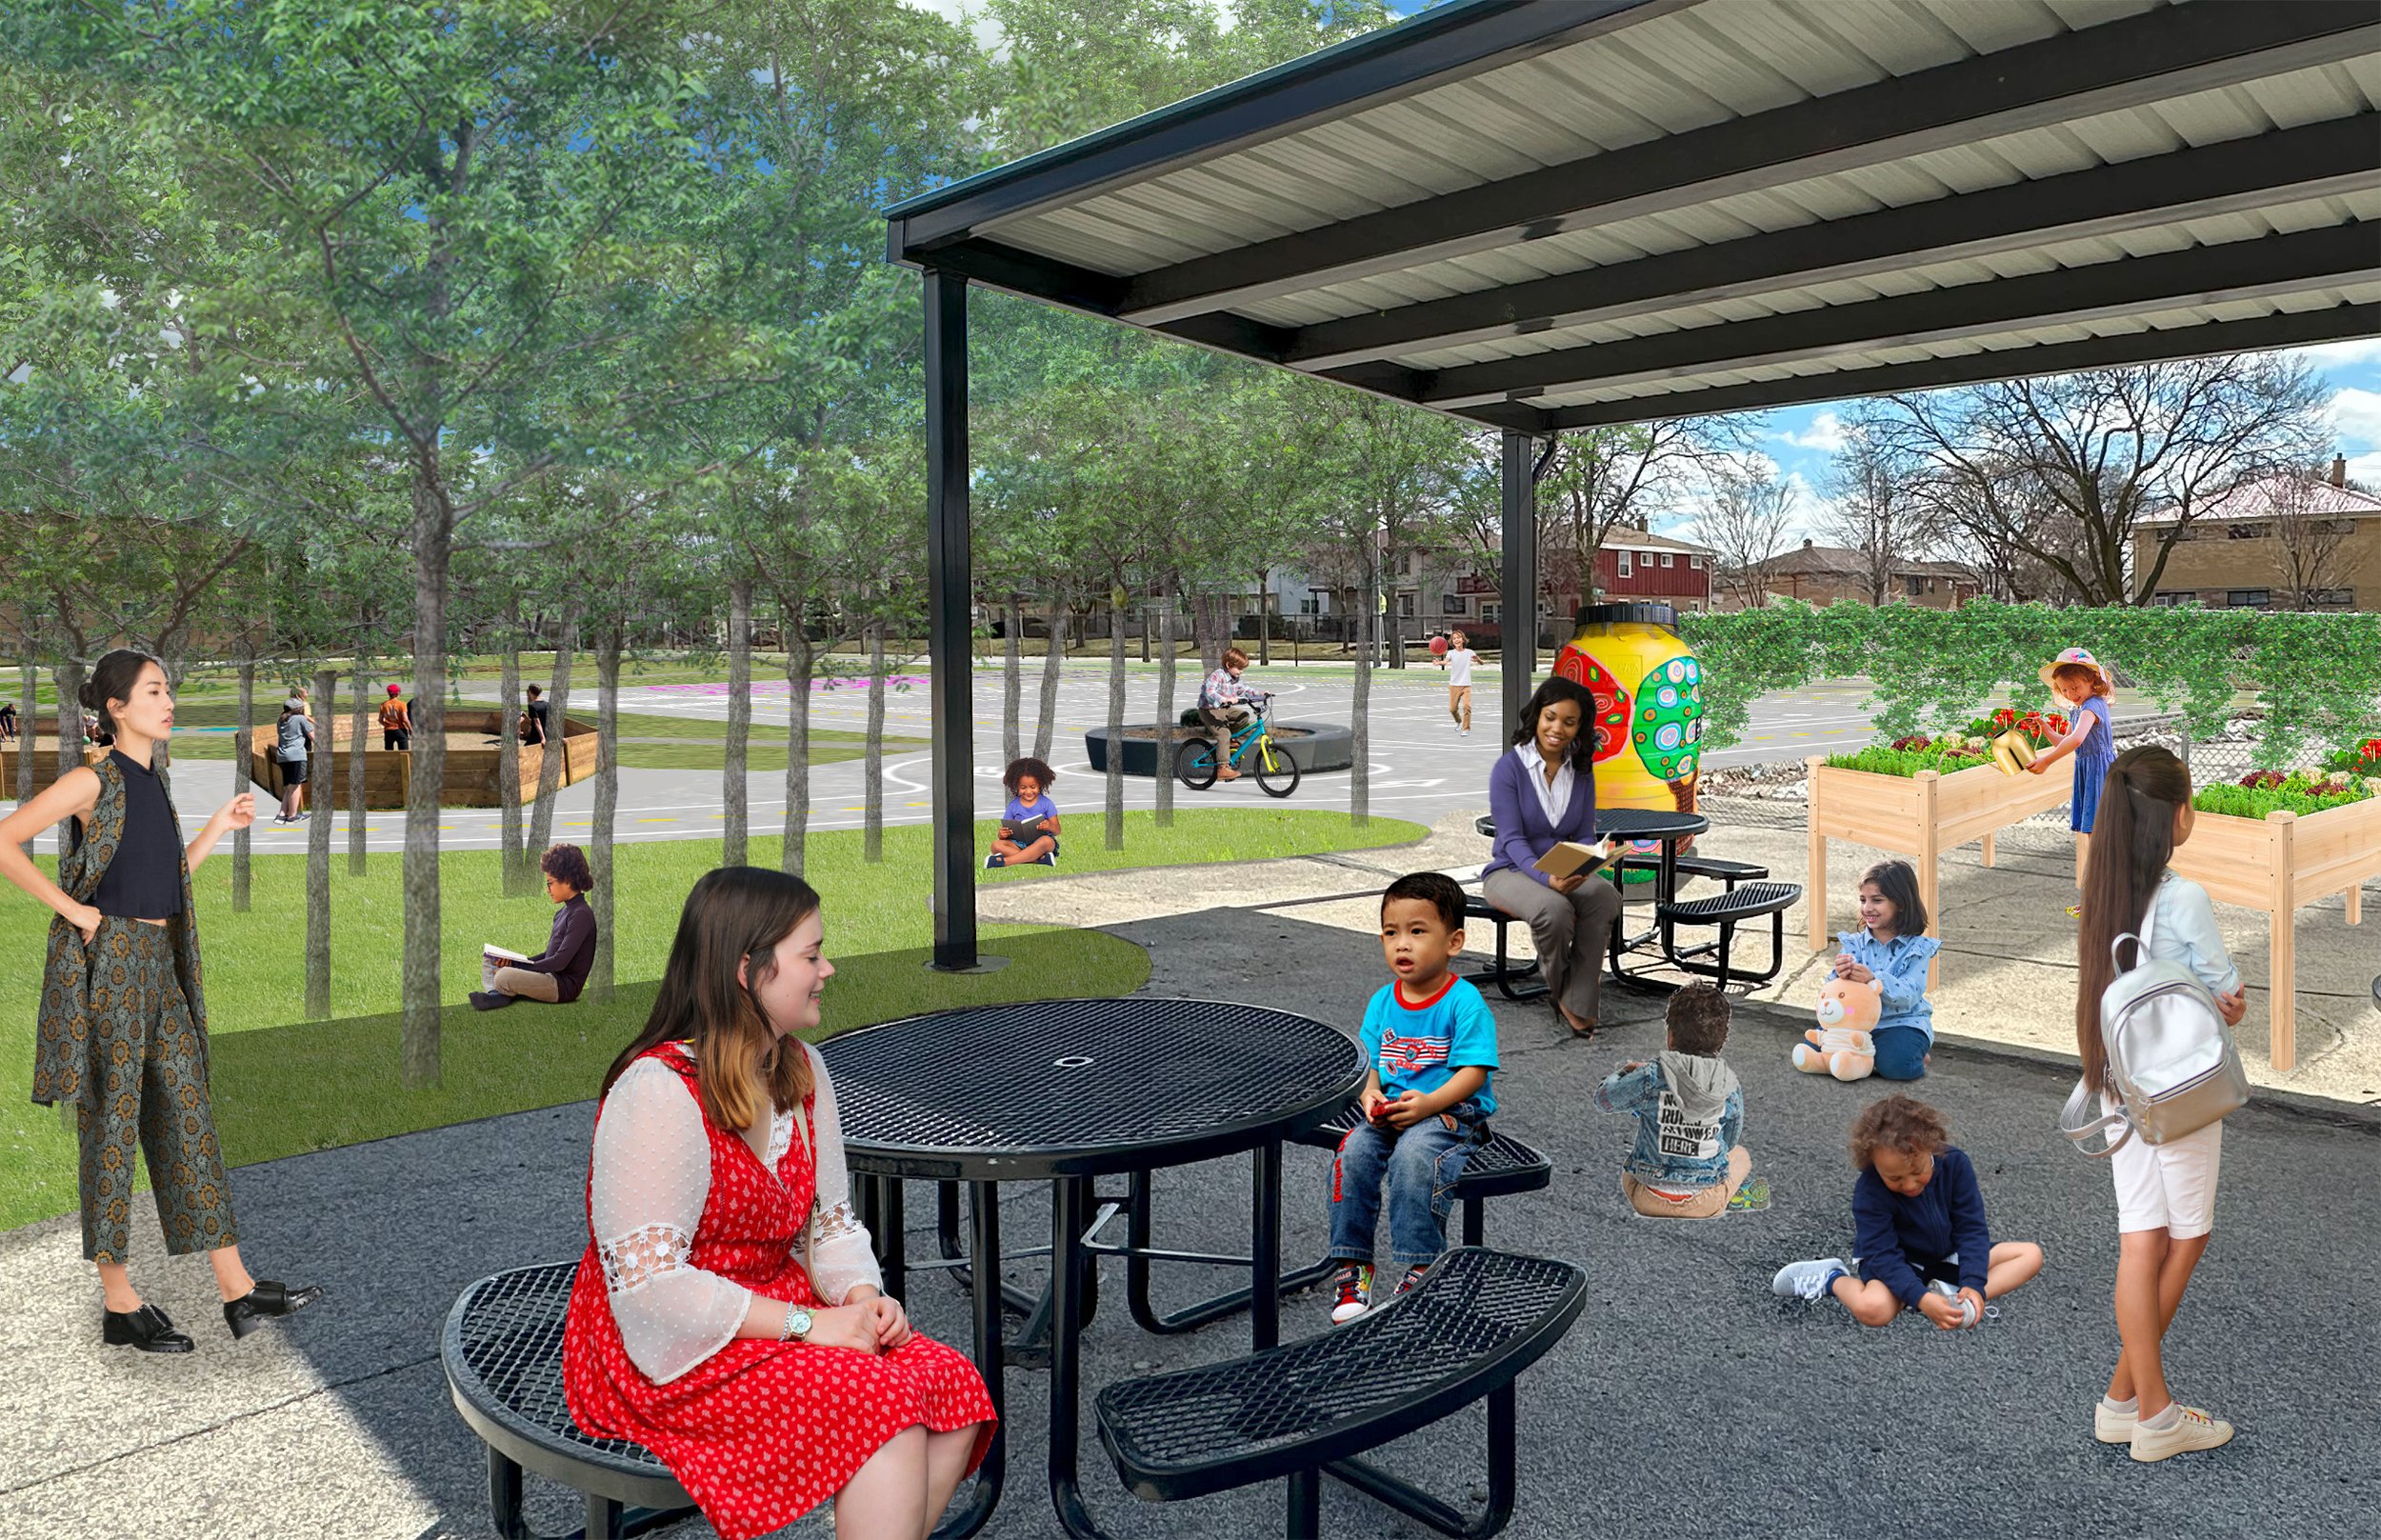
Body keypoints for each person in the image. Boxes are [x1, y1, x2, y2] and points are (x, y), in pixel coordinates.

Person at [561, 866, 995, 1540]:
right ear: (748, 968)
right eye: (811, 954)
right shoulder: (656, 1090)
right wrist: (808, 1325)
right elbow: (649, 1289)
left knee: (950, 1384)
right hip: (667, 1343)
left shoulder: (803, 1069)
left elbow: (832, 1223)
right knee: (880, 1405)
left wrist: (858, 1296)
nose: (828, 968)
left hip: (774, 1307)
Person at [0, 648, 323, 1353]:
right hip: (111, 964)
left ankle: (237, 1289)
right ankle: (119, 1300)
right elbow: (5, 840)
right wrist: (79, 915)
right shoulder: (94, 777)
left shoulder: (155, 778)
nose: (167, 699)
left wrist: (214, 830)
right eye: (153, 690)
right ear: (117, 707)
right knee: (112, 1125)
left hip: (159, 963)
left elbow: (165, 879)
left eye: (167, 688)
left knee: (188, 1110)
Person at [2071, 745, 2246, 1462]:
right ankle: (2156, 1413)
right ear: (2178, 814)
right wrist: (2229, 1003)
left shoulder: (2102, 885)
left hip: (2119, 1083)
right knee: (2189, 1234)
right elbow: (2226, 992)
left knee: (2142, 1237)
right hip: (2181, 1090)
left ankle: (2124, 1402)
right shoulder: (2183, 897)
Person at [1327, 871, 1499, 1324]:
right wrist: (1370, 1095)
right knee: (1354, 1151)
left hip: (1450, 1112)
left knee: (1415, 1156)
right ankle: (1353, 1264)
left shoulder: (1464, 1002)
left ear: (1454, 942)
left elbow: (1474, 1071)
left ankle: (1422, 1265)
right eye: (1391, 932)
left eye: (1417, 932)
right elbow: (1372, 1066)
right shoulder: (1383, 1002)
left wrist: (1428, 1105)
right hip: (1394, 1108)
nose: (1402, 944)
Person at [1771, 1094, 2043, 1331]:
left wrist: (1974, 1284)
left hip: (1947, 1255)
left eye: (1917, 1171)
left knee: (2030, 1255)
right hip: (1901, 1261)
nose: (1910, 1185)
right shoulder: (1869, 1191)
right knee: (1874, 1310)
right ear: (1873, 1165)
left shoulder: (1955, 1164)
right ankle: (1833, 1279)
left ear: (1932, 1147)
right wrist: (1920, 1298)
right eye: (1895, 1178)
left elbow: (1971, 1229)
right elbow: (1883, 1255)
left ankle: (1957, 1295)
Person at [1481, 675, 1624, 1040]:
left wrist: (1590, 859)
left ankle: (1579, 997)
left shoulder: (1581, 771)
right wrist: (1548, 880)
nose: (1557, 728)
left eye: (1569, 721)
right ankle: (1561, 992)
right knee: (1554, 910)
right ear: (1536, 717)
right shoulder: (1508, 769)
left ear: (1580, 728)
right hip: (1511, 871)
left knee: (1605, 896)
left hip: (1564, 870)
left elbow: (1584, 833)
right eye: (1550, 717)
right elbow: (1511, 839)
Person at [1594, 983, 1751, 1219]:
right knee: (1740, 1156)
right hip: (1705, 1201)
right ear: (1723, 1039)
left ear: (1670, 1036)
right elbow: (1728, 1141)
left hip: (1646, 1198)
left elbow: (1604, 1101)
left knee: (1633, 1163)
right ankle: (1725, 1198)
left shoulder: (1652, 1075)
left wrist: (1625, 1072)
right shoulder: (1728, 1083)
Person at [1828, 859, 1941, 1081]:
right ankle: (1867, 1059)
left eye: (1877, 900)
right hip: (1857, 1024)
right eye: (1863, 900)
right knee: (1817, 1046)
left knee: (1896, 1066)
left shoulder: (1917, 948)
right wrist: (1838, 977)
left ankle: (1912, 1056)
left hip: (1902, 1023)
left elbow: (1909, 994)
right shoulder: (1854, 944)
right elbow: (1834, 994)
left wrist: (1874, 980)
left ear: (1900, 903)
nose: (1867, 908)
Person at [472, 843, 599, 1010]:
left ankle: (499, 993)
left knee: (504, 975)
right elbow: (549, 954)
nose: (547, 889)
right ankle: (498, 994)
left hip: (561, 987)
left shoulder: (581, 915)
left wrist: (518, 967)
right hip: (548, 976)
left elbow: (560, 962)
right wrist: (516, 961)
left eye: (550, 883)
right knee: (491, 960)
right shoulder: (562, 913)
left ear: (567, 882)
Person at [2028, 647, 2117, 879]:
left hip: (2100, 772)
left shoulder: (2094, 706)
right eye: (2065, 689)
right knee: (2095, 833)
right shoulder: (2078, 710)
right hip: (2088, 771)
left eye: (2075, 687)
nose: (2070, 693)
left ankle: (2102, 893)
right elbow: (2065, 741)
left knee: (2098, 833)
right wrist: (2046, 729)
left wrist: (2047, 761)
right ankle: (2100, 892)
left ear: (2092, 681)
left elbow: (2077, 740)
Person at [1196, 647, 1264, 783]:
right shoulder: (1217, 675)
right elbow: (1210, 692)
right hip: (1209, 709)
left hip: (1225, 709)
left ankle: (1229, 742)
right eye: (1239, 668)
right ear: (1228, 665)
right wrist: (1224, 699)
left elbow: (1245, 690)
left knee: (1243, 716)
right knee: (1224, 734)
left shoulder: (1236, 678)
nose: (1241, 671)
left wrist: (1261, 694)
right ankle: (1222, 768)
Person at [988, 756, 1060, 869]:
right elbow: (1005, 829)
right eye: (1023, 787)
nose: (1028, 791)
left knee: (1047, 841)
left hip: (1040, 844)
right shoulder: (1013, 806)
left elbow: (1057, 830)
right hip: (1018, 844)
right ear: (1016, 786)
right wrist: (1001, 834)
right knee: (995, 845)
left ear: (1040, 785)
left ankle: (1005, 861)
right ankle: (1038, 859)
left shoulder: (1047, 803)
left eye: (1033, 787)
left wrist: (1049, 826)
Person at [271, 694, 314, 822]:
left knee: (289, 786)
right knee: (296, 786)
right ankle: (292, 816)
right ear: (299, 709)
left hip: (282, 756)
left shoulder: (281, 719)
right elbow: (313, 737)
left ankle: (282, 814)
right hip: (296, 756)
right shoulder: (300, 719)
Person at [1435, 629, 1480, 736]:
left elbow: (1481, 662)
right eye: (1454, 638)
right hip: (1454, 685)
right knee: (1453, 709)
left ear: (1463, 640)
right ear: (1452, 641)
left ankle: (1466, 728)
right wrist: (1438, 662)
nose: (1456, 640)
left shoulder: (1469, 652)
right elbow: (1445, 662)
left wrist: (1478, 659)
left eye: (1458, 638)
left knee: (1467, 707)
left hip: (1466, 685)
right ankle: (1459, 722)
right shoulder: (1451, 653)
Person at [378, 683, 411, 752]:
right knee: (403, 752)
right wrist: (410, 729)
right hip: (400, 730)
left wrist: (387, 725)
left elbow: (380, 720)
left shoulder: (383, 705)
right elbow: (405, 719)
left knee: (389, 752)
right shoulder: (402, 704)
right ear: (397, 693)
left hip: (388, 731)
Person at [521, 682, 550, 747]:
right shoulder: (547, 704)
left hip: (537, 734)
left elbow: (537, 722)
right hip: (547, 733)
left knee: (525, 752)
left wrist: (542, 738)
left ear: (530, 692)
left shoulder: (532, 706)